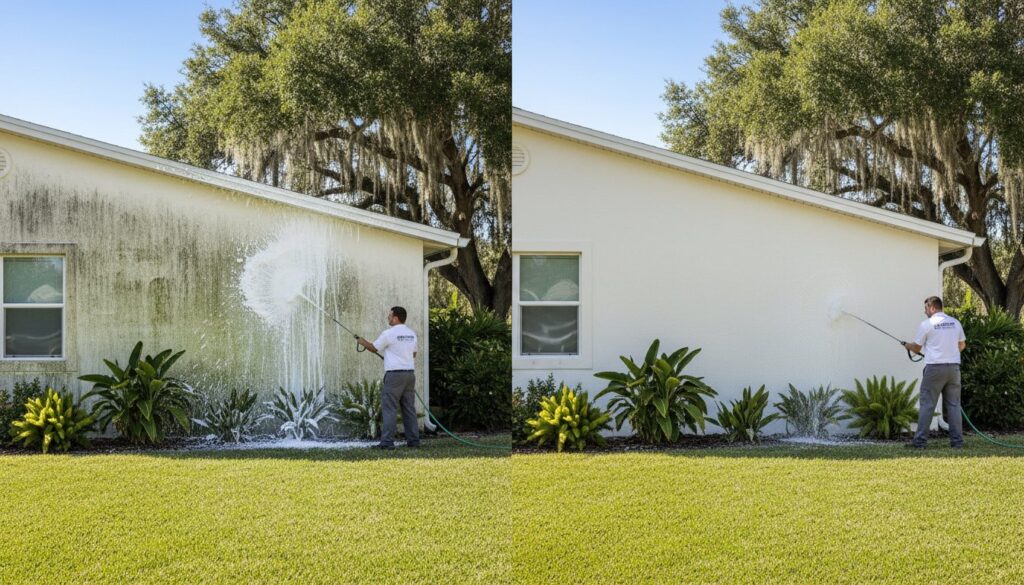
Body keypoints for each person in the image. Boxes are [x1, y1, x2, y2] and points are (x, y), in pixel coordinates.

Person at [902, 296, 966, 449]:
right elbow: (962, 345)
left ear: (932, 308)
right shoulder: (955, 323)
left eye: (925, 309)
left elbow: (916, 349)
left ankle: (919, 442)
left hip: (934, 370)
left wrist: (906, 345)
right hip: (953, 369)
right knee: (954, 405)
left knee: (927, 405)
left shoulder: (927, 324)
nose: (925, 312)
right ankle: (957, 442)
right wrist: (948, 352)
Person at [356, 306, 420, 450]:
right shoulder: (411, 334)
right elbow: (413, 354)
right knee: (409, 408)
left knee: (389, 408)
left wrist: (361, 341)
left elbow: (374, 348)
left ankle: (387, 442)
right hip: (409, 375)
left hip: (394, 376)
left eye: (390, 315)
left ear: (396, 317)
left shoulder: (389, 333)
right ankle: (414, 441)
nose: (388, 318)